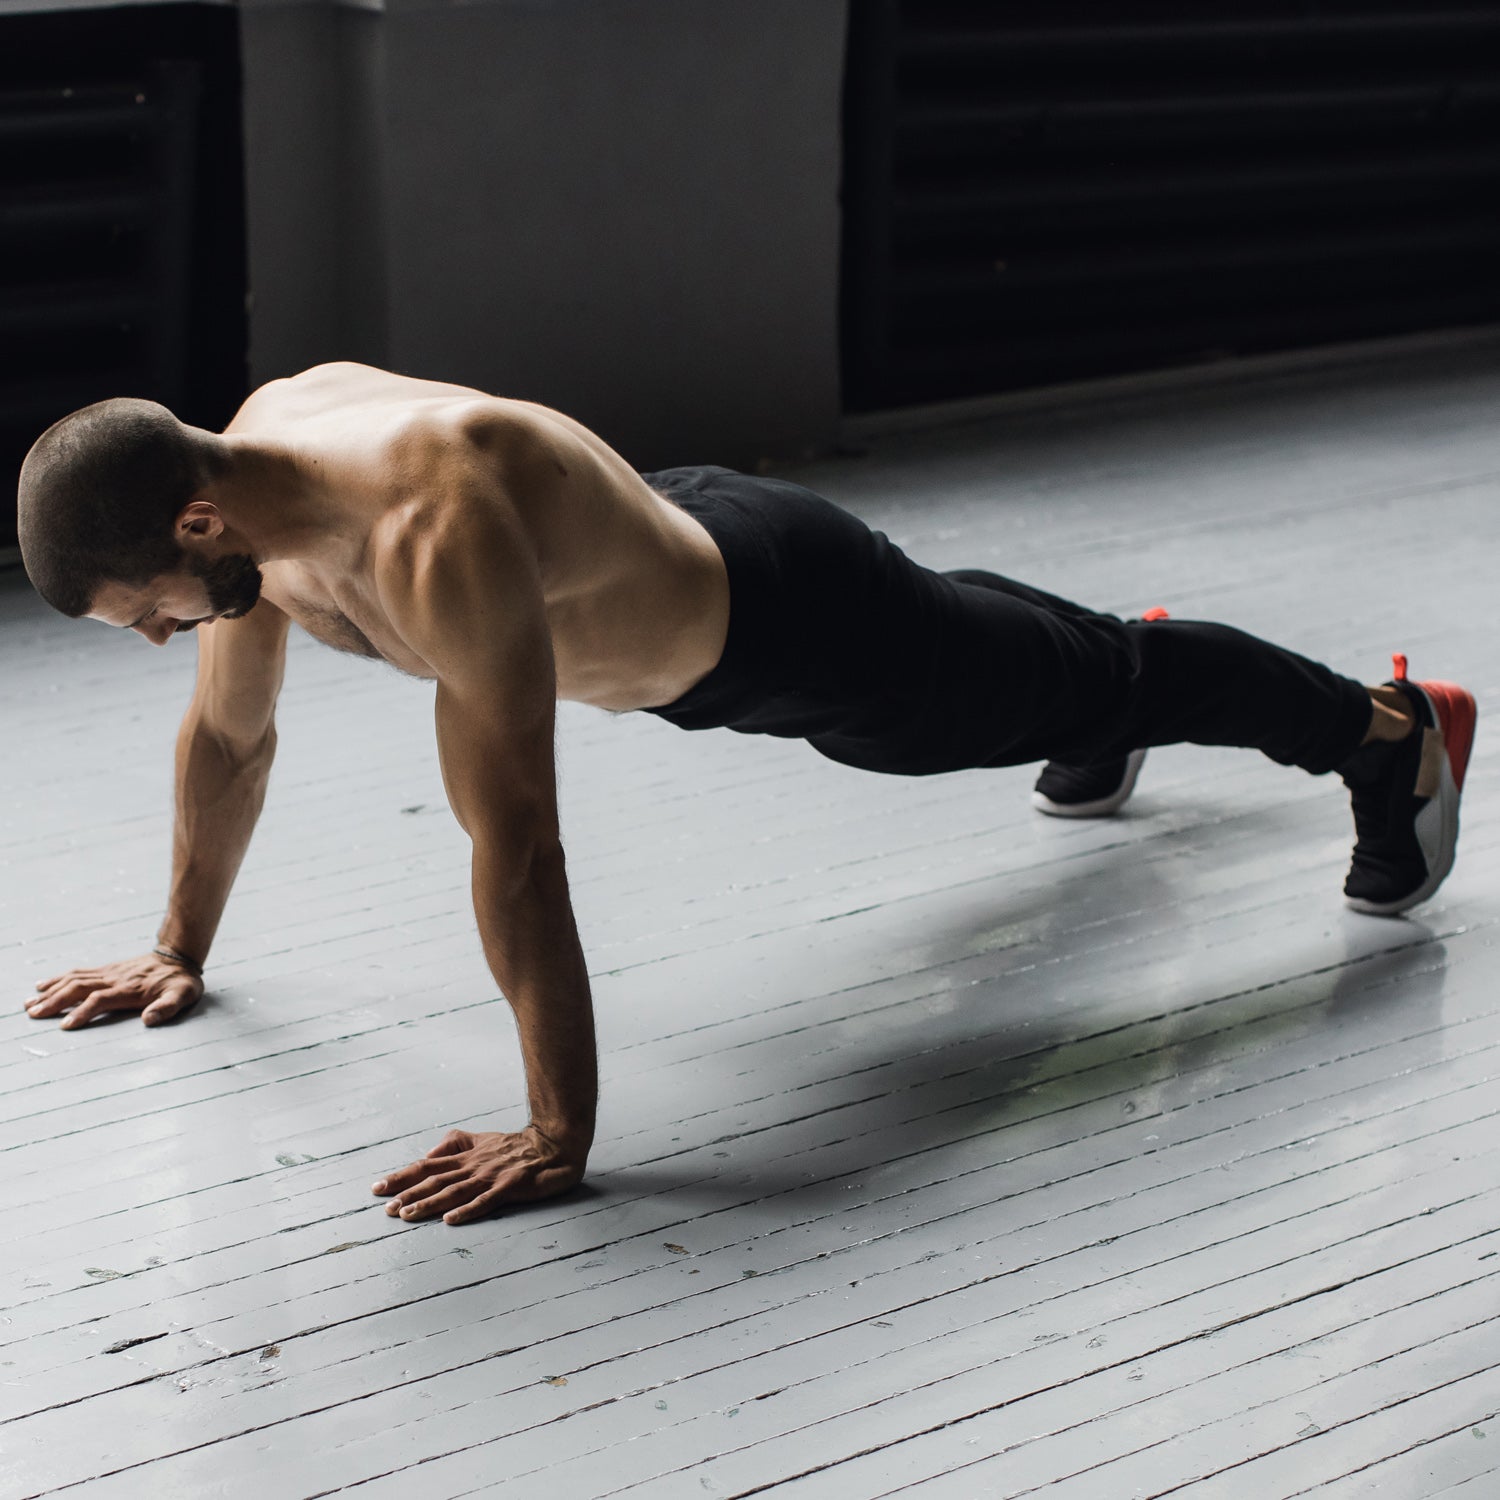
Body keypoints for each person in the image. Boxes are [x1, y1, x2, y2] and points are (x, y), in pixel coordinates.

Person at [14, 362, 1476, 1227]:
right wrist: (177, 951)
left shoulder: (428, 531)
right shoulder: (254, 498)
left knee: (1068, 678)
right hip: (693, 531)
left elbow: (517, 846)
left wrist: (555, 1132)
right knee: (1043, 659)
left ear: (194, 521)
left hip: (789, 627)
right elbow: (229, 745)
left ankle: (1389, 731)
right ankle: (1098, 694)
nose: (159, 636)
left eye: (144, 609)